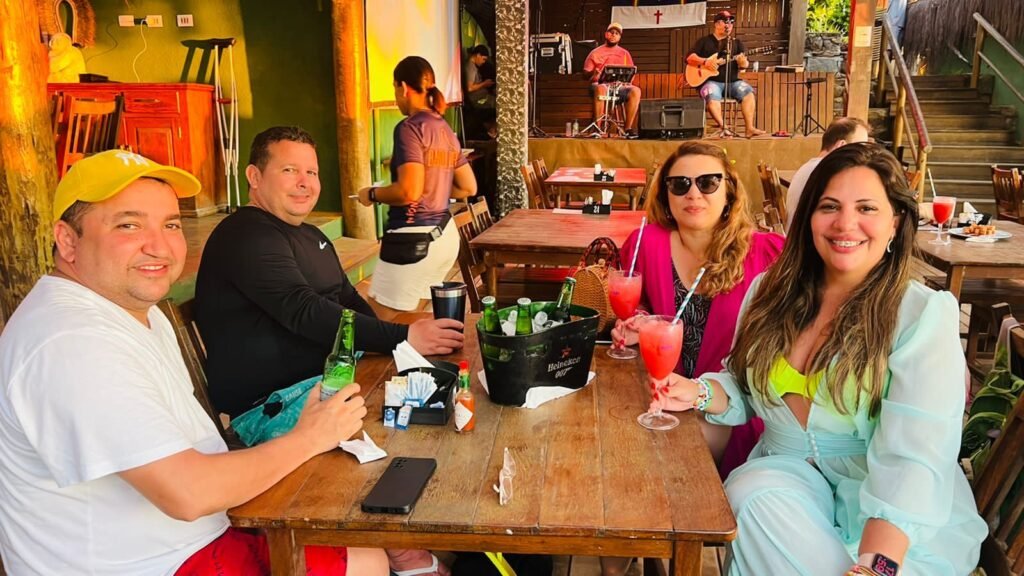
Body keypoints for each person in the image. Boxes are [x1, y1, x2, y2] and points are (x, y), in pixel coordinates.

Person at [0, 149, 388, 575]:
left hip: (185, 536)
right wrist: (308, 436)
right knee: (365, 560)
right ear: (68, 240)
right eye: (128, 225)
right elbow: (187, 494)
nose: (159, 246)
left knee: (370, 535)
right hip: (149, 563)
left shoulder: (129, 312)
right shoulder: (71, 342)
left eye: (170, 224)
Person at [661, 143, 987, 575]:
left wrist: (877, 566)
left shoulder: (920, 314)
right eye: (829, 206)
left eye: (866, 208)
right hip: (784, 495)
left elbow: (913, 460)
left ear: (896, 221)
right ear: (808, 219)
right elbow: (742, 387)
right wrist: (698, 392)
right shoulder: (767, 293)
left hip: (894, 524)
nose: (845, 223)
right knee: (751, 492)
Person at [195, 126, 464, 420]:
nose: (304, 183)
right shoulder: (246, 234)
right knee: (420, 421)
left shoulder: (311, 235)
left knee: (450, 391)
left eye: (311, 172)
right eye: (289, 170)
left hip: (332, 378)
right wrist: (403, 337)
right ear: (254, 177)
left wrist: (391, 343)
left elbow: (349, 298)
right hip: (274, 406)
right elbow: (302, 309)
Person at [603, 141, 783, 576]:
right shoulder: (646, 243)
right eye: (680, 184)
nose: (693, 194)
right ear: (665, 193)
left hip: (729, 403)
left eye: (707, 182)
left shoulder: (766, 253)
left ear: (730, 190)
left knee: (646, 462)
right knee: (614, 448)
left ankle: (639, 555)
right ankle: (629, 555)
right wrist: (635, 324)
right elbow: (638, 307)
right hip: (656, 390)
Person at [359, 56, 478, 311]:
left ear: (403, 87)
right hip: (444, 236)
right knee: (419, 320)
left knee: (378, 321)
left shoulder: (409, 128)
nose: (396, 97)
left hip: (413, 241)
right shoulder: (444, 128)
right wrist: (432, 187)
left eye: (394, 89)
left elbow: (408, 192)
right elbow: (468, 187)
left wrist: (371, 194)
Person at [685, 11, 766, 138]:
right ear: (717, 24)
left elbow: (744, 66)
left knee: (748, 92)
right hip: (710, 82)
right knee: (712, 96)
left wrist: (742, 62)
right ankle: (724, 127)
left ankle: (749, 128)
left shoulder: (736, 43)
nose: (729, 25)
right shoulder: (704, 41)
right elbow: (690, 58)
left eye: (731, 22)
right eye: (725, 22)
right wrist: (705, 62)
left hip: (733, 82)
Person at [784, 116, 871, 229]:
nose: (864, 153)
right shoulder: (829, 173)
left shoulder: (810, 167)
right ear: (842, 145)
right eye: (860, 148)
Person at [583, 22, 642, 137]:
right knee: (601, 88)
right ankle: (598, 129)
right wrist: (593, 73)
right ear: (606, 34)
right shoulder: (595, 53)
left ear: (619, 37)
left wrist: (628, 81)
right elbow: (585, 75)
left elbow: (631, 72)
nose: (614, 35)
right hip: (599, 85)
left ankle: (628, 129)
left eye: (617, 33)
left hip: (620, 87)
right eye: (611, 32)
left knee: (636, 91)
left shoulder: (625, 54)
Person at [464, 45, 495, 109]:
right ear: (478, 55)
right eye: (483, 59)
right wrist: (484, 84)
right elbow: (469, 88)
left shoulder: (474, 66)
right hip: (475, 99)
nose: (483, 62)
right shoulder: (471, 68)